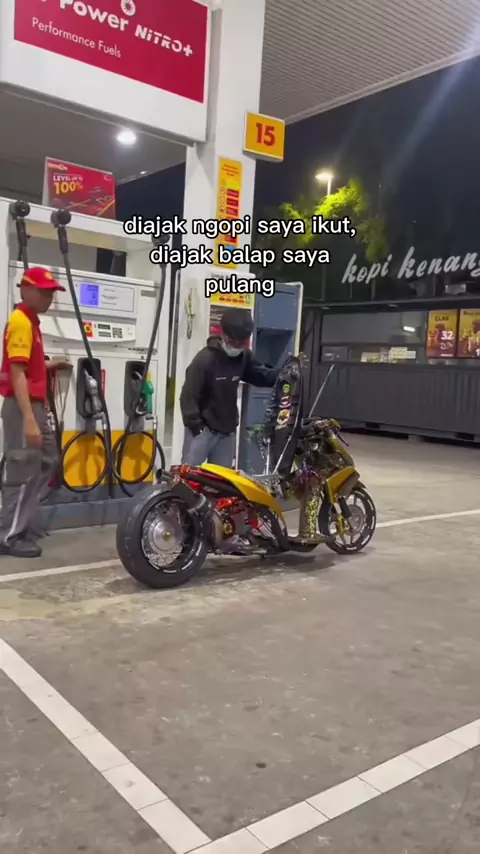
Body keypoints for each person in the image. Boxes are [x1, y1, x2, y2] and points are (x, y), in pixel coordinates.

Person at [0, 267, 70, 558]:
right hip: (23, 407)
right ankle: (8, 535)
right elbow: (17, 372)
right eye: (43, 292)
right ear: (25, 290)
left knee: (48, 461)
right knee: (22, 467)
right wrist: (29, 420)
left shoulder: (32, 322)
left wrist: (50, 366)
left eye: (51, 293)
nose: (48, 298)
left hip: (35, 406)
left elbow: (27, 366)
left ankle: (20, 520)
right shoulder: (20, 322)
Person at [180, 307, 277, 467]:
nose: (237, 347)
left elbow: (259, 375)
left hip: (227, 433)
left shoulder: (243, 357)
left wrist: (281, 376)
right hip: (202, 431)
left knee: (222, 479)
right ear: (223, 335)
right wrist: (197, 426)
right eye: (233, 342)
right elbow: (188, 397)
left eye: (242, 343)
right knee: (188, 475)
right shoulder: (205, 360)